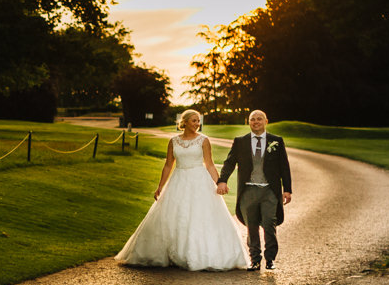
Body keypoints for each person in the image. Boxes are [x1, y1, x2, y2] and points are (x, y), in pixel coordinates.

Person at [115, 109, 247, 271]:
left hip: (199, 180)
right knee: (174, 216)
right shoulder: (173, 141)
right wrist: (160, 186)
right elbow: (168, 165)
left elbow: (210, 164)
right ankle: (172, 254)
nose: (197, 124)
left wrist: (220, 182)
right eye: (194, 120)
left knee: (198, 216)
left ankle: (198, 254)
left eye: (198, 121)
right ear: (184, 122)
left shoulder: (203, 140)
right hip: (178, 179)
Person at [216, 109, 293, 271]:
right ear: (248, 122)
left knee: (269, 224)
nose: (256, 122)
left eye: (259, 119)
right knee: (251, 226)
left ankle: (270, 259)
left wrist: (287, 189)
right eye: (252, 119)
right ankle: (255, 260)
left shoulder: (276, 141)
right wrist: (222, 180)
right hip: (248, 191)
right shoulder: (240, 141)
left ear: (266, 121)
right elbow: (229, 163)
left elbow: (284, 167)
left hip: (269, 191)